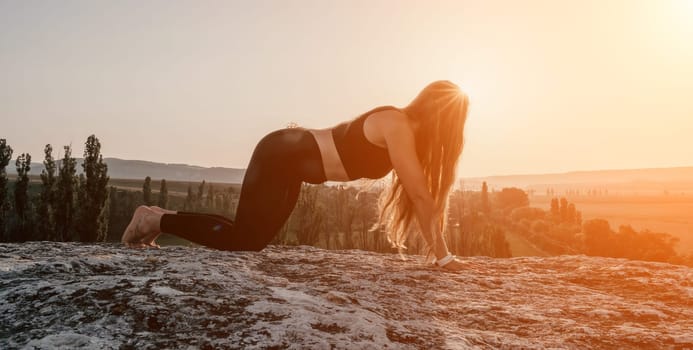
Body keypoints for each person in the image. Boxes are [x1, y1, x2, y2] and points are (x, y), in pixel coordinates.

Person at [122, 80, 469, 271]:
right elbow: (422, 196)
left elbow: (421, 197)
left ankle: (155, 217)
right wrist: (444, 257)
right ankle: (154, 221)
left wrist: (442, 254)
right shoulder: (397, 124)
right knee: (244, 239)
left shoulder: (404, 131)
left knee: (249, 238)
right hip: (281, 153)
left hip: (290, 165)